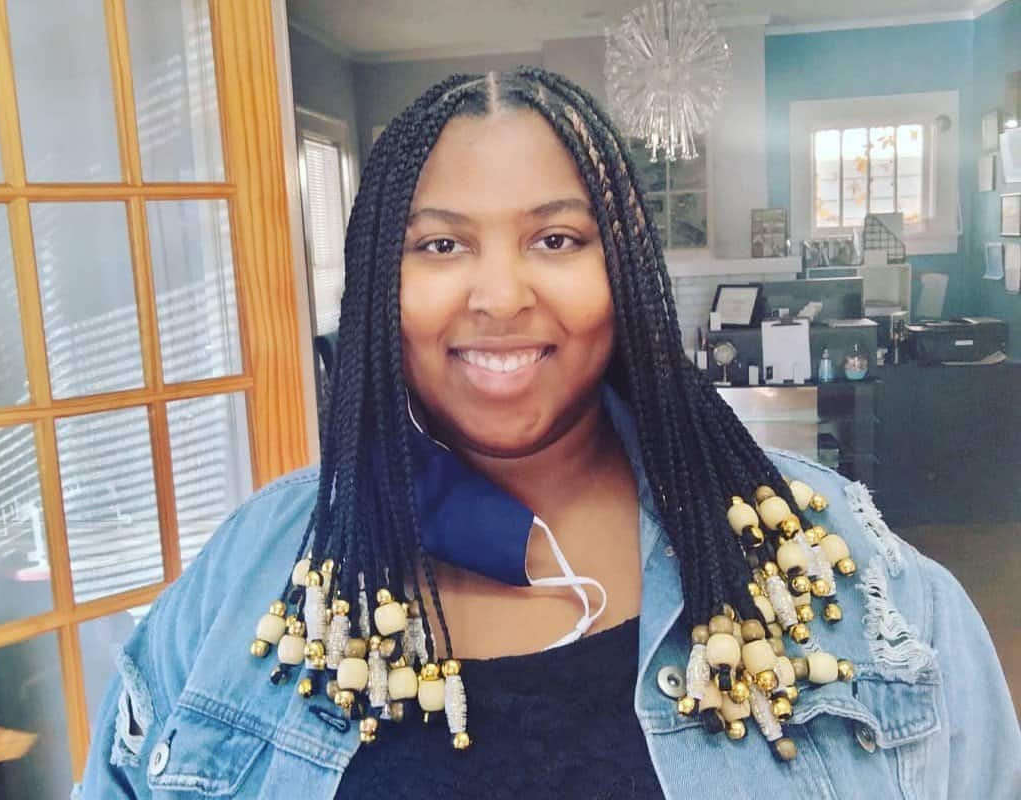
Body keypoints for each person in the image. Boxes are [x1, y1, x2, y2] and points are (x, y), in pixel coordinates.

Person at [77, 68, 1020, 799]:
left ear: (629, 275)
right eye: (440, 244)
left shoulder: (845, 571)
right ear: (378, 282)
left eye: (557, 240)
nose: (499, 296)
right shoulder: (251, 575)